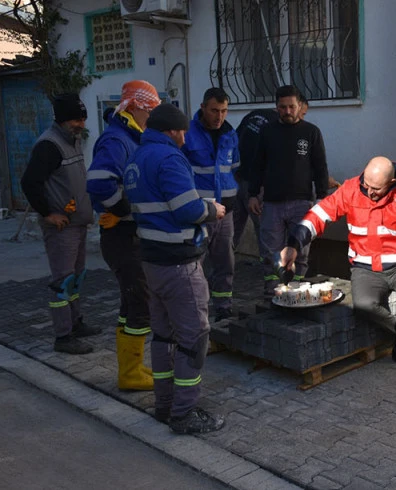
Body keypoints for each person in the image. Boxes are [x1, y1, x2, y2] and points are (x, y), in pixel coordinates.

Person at [278, 157, 396, 383]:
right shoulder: (351, 189)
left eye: (376, 189)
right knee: (363, 306)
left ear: (392, 181)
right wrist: (294, 245)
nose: (369, 192)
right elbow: (318, 215)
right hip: (365, 267)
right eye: (366, 185)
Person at [123, 102, 226, 434]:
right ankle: (184, 413)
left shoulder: (138, 157)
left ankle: (165, 405)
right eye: (181, 132)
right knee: (194, 337)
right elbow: (187, 210)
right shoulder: (168, 157)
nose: (185, 138)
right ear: (170, 131)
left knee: (164, 335)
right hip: (179, 262)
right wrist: (212, 210)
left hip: (152, 261)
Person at [86, 80, 161, 390]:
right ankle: (130, 374)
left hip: (128, 233)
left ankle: (131, 368)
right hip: (121, 235)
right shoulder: (117, 140)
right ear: (134, 108)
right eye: (150, 113)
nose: (152, 119)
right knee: (140, 302)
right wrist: (122, 209)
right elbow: (100, 182)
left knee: (131, 302)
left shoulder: (132, 137)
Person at [20, 93, 102, 355]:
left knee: (75, 279)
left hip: (76, 224)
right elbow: (29, 182)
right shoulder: (50, 145)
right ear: (62, 119)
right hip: (61, 228)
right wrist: (48, 214)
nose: (81, 124)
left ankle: (75, 323)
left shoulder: (71, 140)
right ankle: (63, 336)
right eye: (76, 119)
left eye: (83, 118)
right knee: (62, 282)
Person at [245, 85, 330, 296]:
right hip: (271, 202)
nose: (288, 111)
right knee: (270, 251)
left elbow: (320, 167)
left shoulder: (311, 132)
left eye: (292, 107)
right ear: (276, 108)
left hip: (301, 202)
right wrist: (253, 194)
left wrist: (321, 199)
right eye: (283, 107)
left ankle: (296, 290)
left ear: (300, 106)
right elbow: (257, 165)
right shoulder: (267, 132)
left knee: (300, 250)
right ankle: (273, 291)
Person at [183, 88, 240, 321]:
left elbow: (235, 170)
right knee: (195, 263)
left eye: (224, 111)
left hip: (225, 212)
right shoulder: (187, 133)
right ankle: (195, 308)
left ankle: (223, 305)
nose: (219, 116)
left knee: (225, 261)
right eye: (215, 110)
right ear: (203, 107)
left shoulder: (230, 134)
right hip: (200, 212)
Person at [231, 108, 279, 256]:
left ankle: (221, 267)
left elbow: (235, 140)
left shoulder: (253, 115)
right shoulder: (277, 126)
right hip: (256, 185)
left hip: (235, 178)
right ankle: (270, 270)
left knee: (232, 228)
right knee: (264, 228)